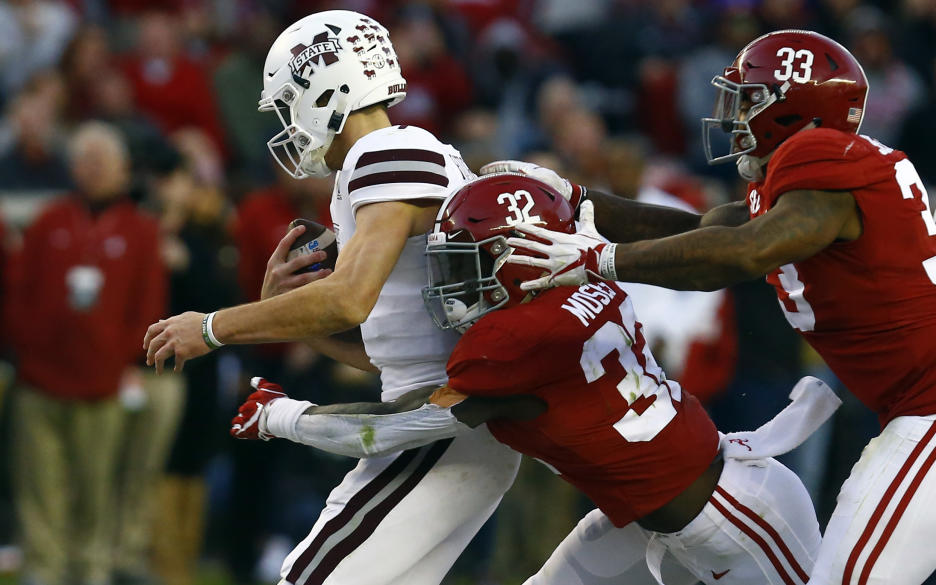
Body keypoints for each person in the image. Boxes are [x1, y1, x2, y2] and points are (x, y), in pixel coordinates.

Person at [488, 30, 936, 585]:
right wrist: (579, 201)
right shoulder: (816, 177)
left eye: (749, 99)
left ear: (794, 109)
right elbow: (700, 231)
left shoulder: (817, 155)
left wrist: (604, 260)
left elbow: (743, 253)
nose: (734, 116)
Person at [230, 173, 833, 585]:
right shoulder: (574, 289)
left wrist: (282, 416)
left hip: (735, 517)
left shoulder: (516, 343)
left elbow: (396, 426)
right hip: (652, 514)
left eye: (463, 262)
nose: (447, 284)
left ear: (517, 256)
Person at [143, 10, 520, 585]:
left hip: (438, 425)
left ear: (328, 88)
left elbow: (348, 301)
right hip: (440, 417)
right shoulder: (393, 160)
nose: (291, 123)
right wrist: (296, 324)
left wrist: (214, 326)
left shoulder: (386, 153)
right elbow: (400, 351)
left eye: (291, 103)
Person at [6, 121, 167, 585]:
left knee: (97, 487)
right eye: (85, 160)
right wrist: (29, 345)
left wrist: (120, 359)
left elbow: (148, 306)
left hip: (104, 382)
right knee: (40, 486)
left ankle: (91, 568)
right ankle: (43, 567)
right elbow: (18, 291)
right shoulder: (50, 220)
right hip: (39, 379)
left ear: (122, 170)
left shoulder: (140, 231)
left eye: (103, 161)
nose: (93, 169)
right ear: (73, 167)